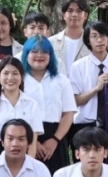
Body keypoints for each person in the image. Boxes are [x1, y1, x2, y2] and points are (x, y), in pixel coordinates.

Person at [20, 35, 77, 170]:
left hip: (55, 137)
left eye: (45, 51)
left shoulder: (61, 80)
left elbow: (68, 114)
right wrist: (33, 142)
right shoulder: (19, 80)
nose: (39, 55)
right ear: (26, 54)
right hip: (25, 136)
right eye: (34, 51)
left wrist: (55, 140)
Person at [0, 55, 42, 162]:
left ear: (21, 76)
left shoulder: (32, 105)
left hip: (25, 159)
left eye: (15, 73)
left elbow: (33, 141)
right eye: (6, 73)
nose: (10, 78)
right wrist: (1, 161)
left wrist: (29, 164)